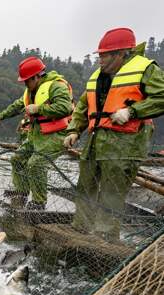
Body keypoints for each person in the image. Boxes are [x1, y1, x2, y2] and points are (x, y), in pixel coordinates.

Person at [64, 27, 164, 240]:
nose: (100, 60)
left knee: (112, 191)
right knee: (86, 184)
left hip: (126, 143)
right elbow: (83, 106)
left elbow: (161, 97)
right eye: (99, 55)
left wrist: (132, 111)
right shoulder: (97, 76)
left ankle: (104, 235)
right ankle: (81, 227)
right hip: (95, 141)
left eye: (104, 55)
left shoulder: (146, 69)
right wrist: (74, 130)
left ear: (121, 54)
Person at [0, 56, 73, 210]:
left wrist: (38, 109)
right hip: (36, 135)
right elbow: (17, 106)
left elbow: (65, 108)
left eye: (27, 80)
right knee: (17, 159)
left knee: (36, 164)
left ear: (37, 76)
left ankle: (39, 203)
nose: (25, 84)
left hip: (56, 136)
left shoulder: (57, 86)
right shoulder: (30, 91)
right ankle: (22, 193)